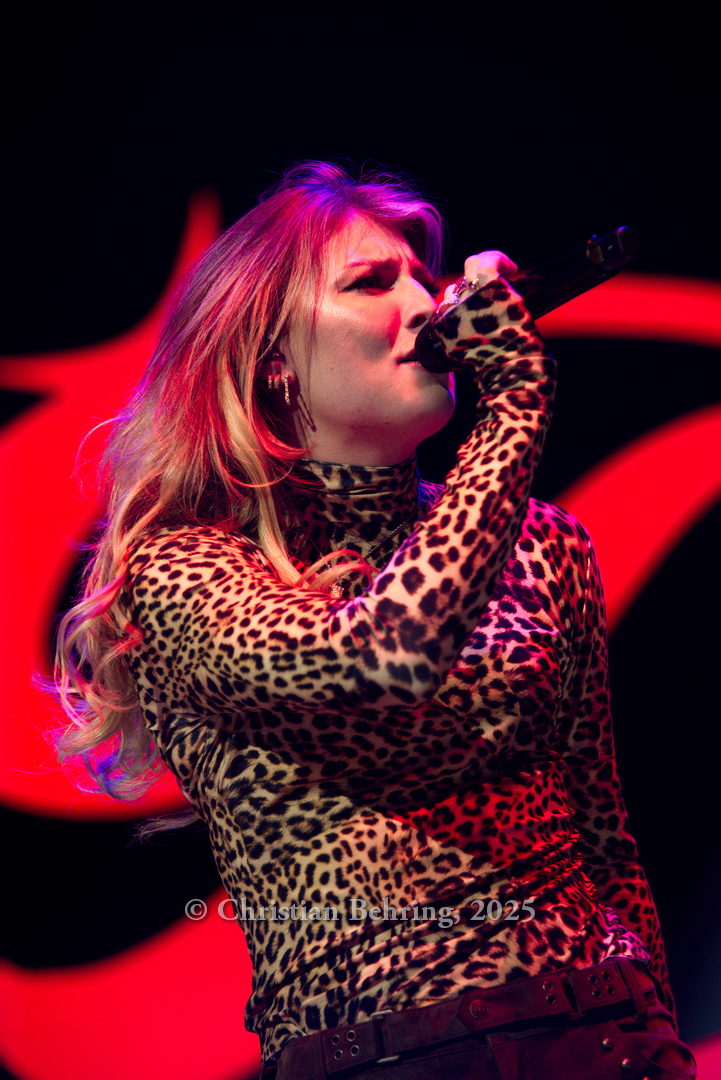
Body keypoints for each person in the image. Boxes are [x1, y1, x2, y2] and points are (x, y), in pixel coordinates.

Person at [53, 162, 696, 1079]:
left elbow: (602, 829)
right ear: (271, 359)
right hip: (387, 1055)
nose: (428, 306)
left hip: (605, 1033)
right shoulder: (187, 568)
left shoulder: (538, 541)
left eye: (422, 279)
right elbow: (382, 660)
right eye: (370, 283)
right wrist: (513, 408)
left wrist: (655, 1024)